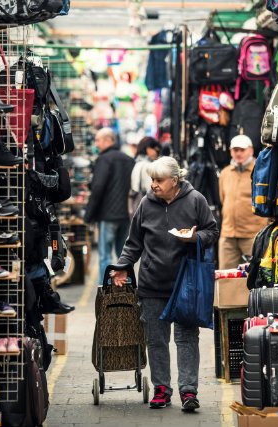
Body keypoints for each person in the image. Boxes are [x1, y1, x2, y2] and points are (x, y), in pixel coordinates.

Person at [111, 157, 219, 412]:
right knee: (156, 339)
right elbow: (134, 242)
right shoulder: (146, 204)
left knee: (186, 338)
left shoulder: (196, 200)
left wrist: (195, 237)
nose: (154, 185)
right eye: (152, 180)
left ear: (174, 180)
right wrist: (122, 266)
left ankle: (188, 390)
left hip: (186, 283)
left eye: (159, 180)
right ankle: (161, 388)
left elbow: (212, 232)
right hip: (152, 283)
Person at [84, 128, 135, 280]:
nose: (96, 143)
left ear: (108, 140)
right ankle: (128, 291)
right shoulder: (128, 159)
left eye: (98, 140)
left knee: (105, 257)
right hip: (125, 215)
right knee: (124, 257)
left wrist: (88, 215)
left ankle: (104, 291)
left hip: (107, 215)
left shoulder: (104, 159)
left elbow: (98, 188)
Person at [218, 134, 268, 269]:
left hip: (252, 234)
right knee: (225, 276)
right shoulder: (225, 173)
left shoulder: (261, 171)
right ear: (230, 151)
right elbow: (223, 199)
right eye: (235, 150)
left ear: (251, 150)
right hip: (228, 235)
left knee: (254, 276)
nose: (238, 153)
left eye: (242, 150)